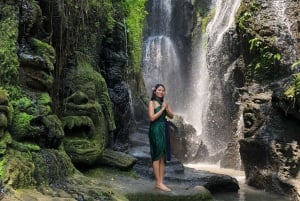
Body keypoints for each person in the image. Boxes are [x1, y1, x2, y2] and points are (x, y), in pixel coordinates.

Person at [148, 84, 174, 192]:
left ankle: (160, 182)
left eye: (163, 90)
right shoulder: (152, 103)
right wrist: (162, 109)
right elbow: (152, 117)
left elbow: (172, 116)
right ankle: (158, 182)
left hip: (164, 128)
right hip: (155, 129)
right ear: (155, 91)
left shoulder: (165, 103)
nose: (161, 92)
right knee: (157, 155)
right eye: (159, 90)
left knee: (163, 156)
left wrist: (166, 109)